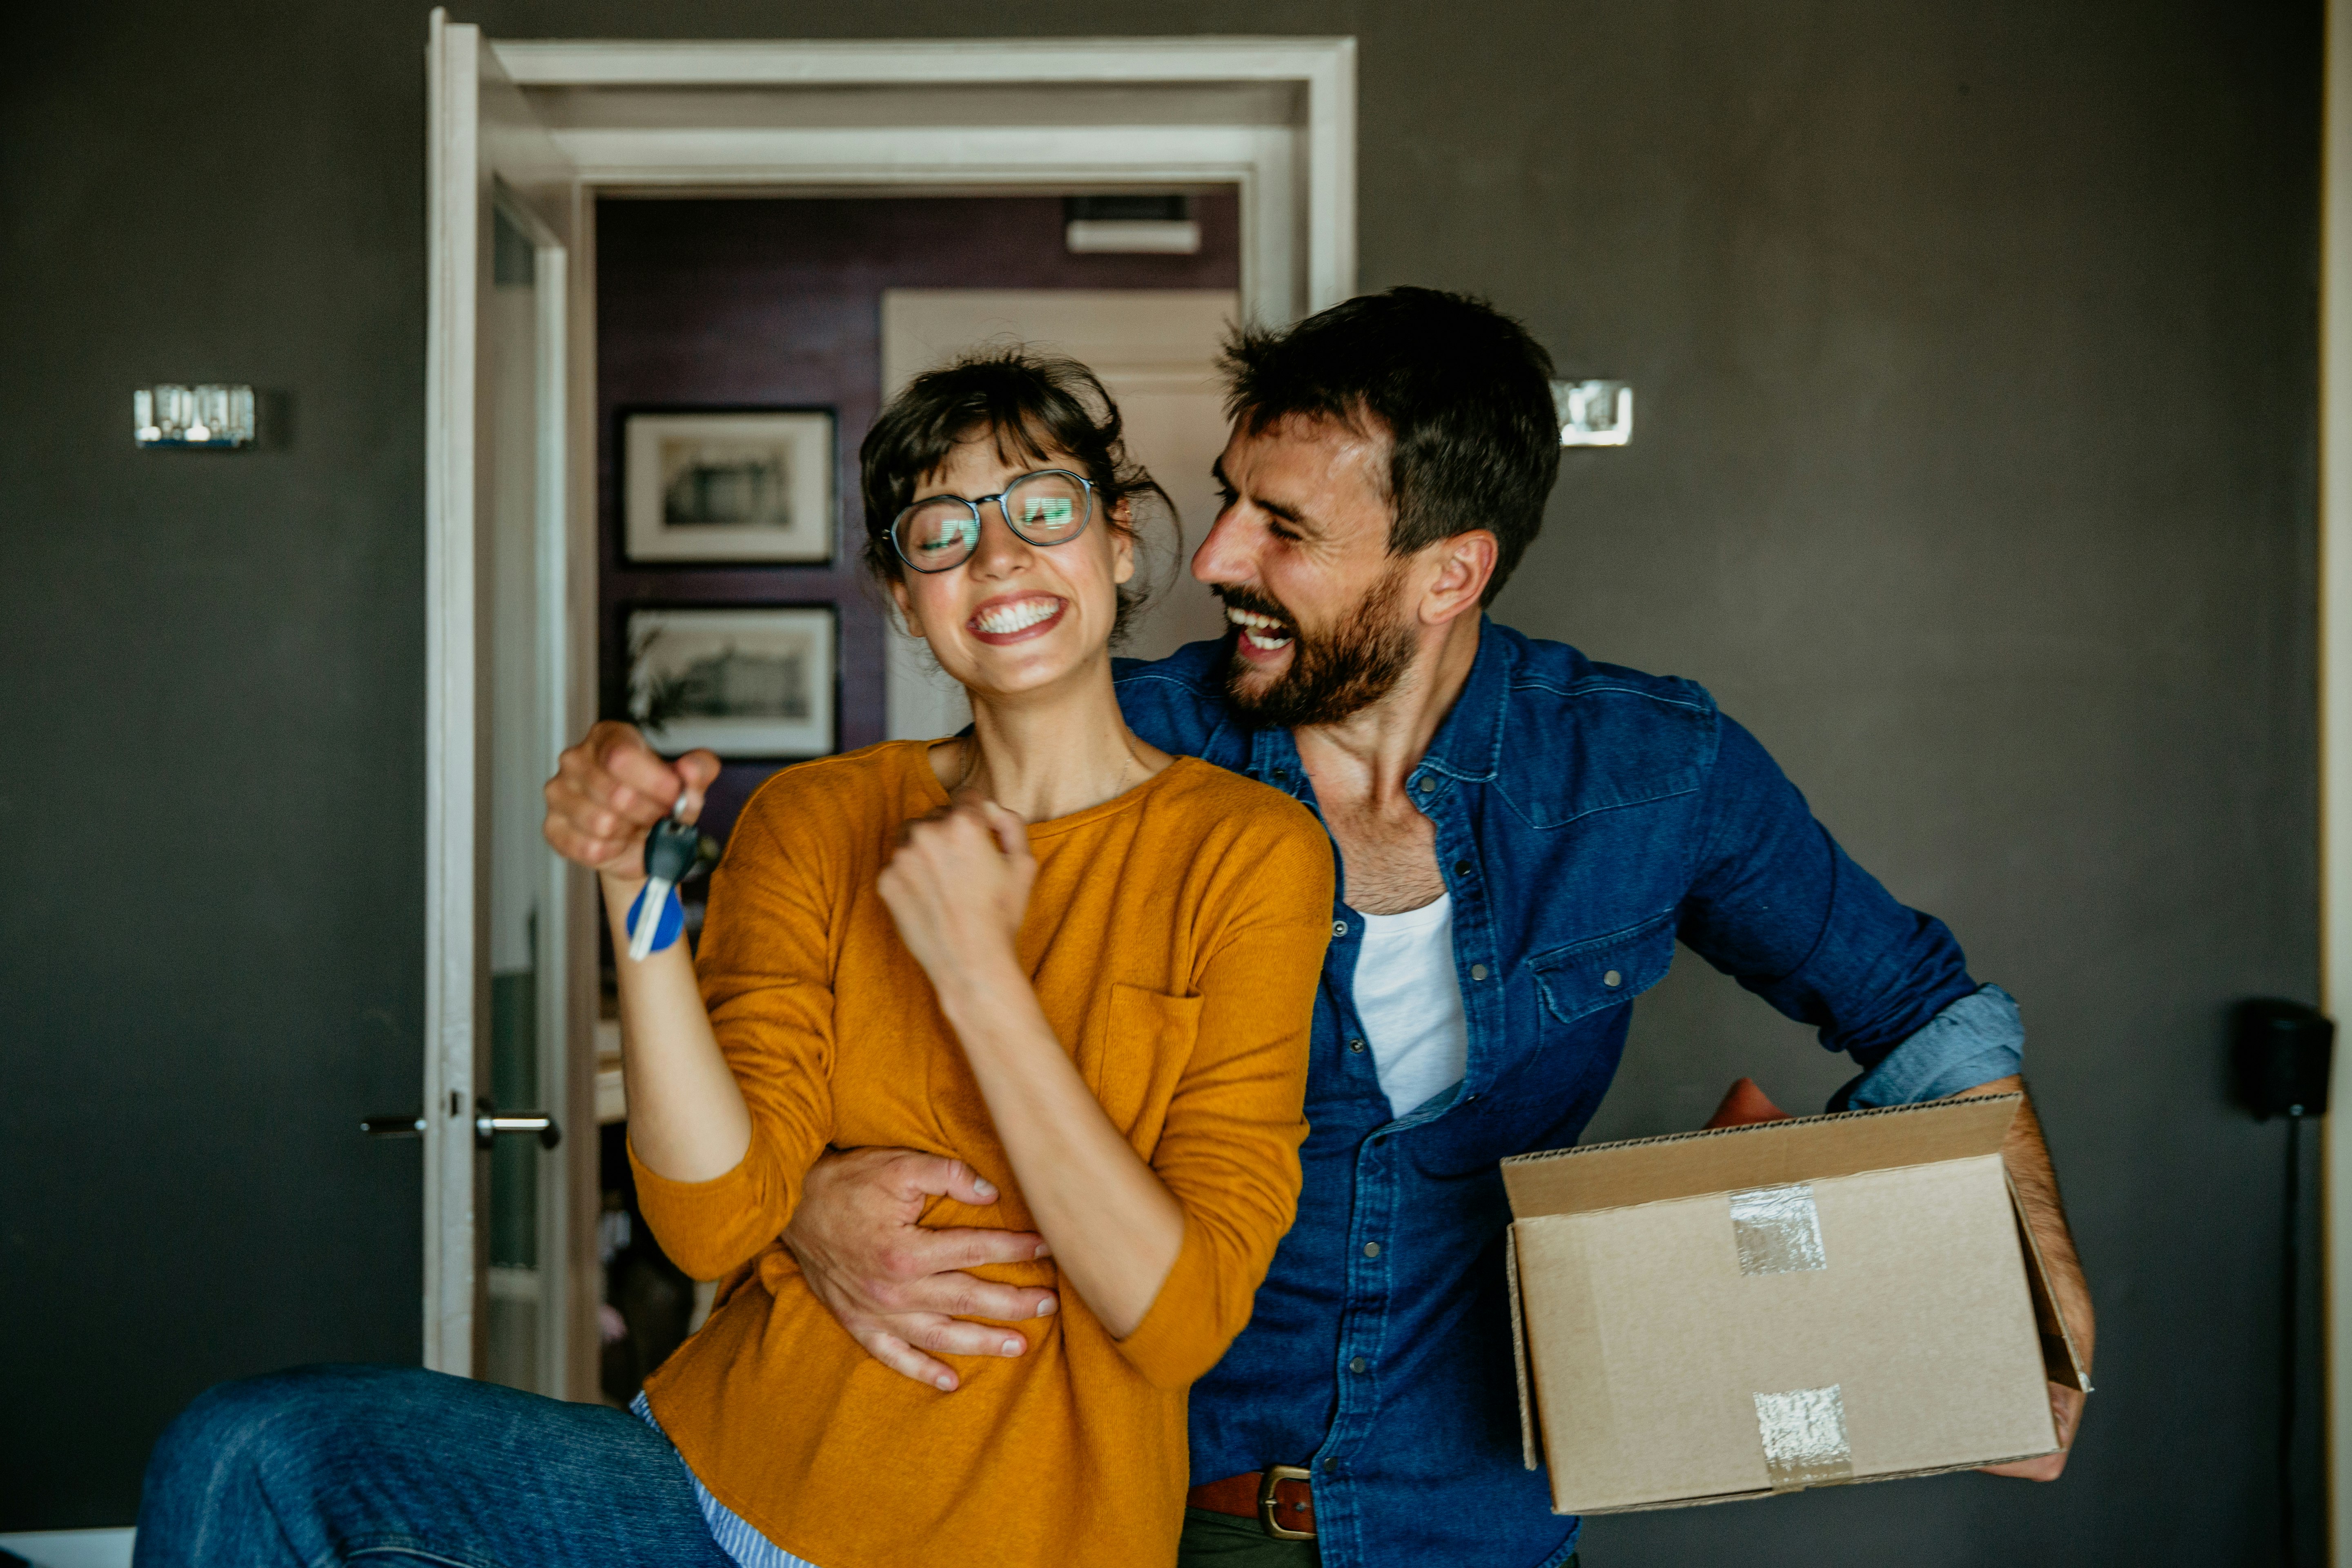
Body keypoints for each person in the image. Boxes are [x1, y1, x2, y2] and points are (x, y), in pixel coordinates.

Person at [569, 288, 2096, 1568]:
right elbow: (840, 1039)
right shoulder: (1132, 745)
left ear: (1449, 572)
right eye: (1227, 500)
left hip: (1480, 1519)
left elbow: (1921, 1003)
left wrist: (2040, 1326)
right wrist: (801, 1209)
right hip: (1165, 1511)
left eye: (1279, 526)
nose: (1220, 557)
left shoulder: (1648, 770)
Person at [132, 352, 1336, 1568]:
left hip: (1032, 1539)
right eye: (941, 528)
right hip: (710, 1497)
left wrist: (979, 977)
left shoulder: (1249, 855)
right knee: (250, 1451)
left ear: (1119, 541)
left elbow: (1178, 1319)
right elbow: (713, 1224)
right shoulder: (814, 819)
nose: (998, 557)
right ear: (903, 592)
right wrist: (632, 890)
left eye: (1042, 506)